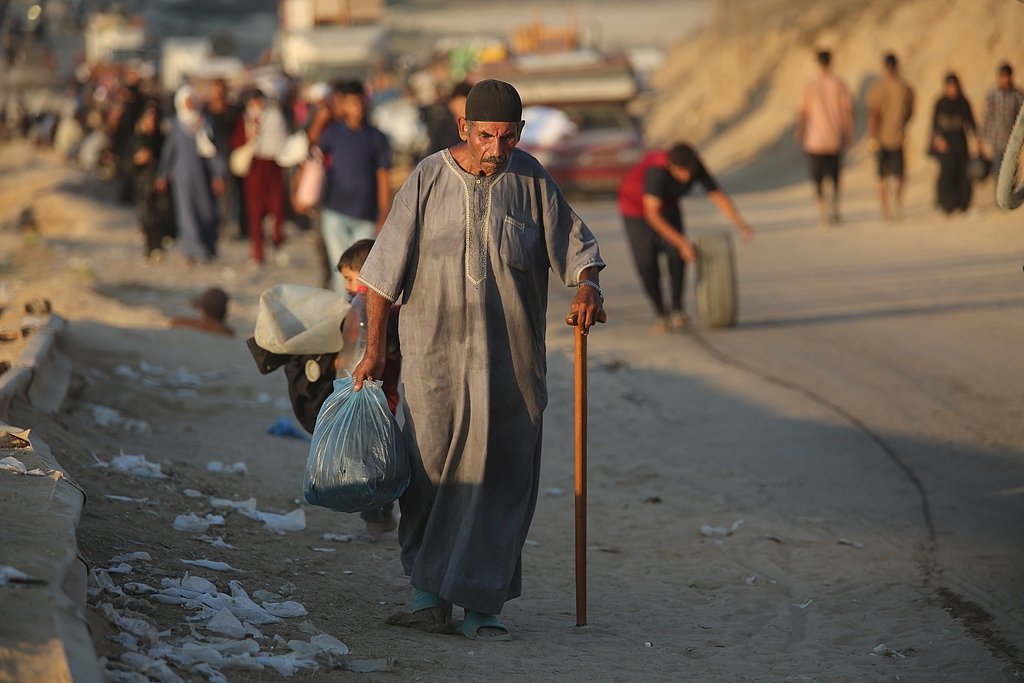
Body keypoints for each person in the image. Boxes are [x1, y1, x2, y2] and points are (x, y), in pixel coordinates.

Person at [351, 79, 605, 641]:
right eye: (487, 135)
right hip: (432, 366)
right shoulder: (427, 178)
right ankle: (427, 597)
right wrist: (372, 352)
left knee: (502, 478)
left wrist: (588, 287)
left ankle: (482, 605)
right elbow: (381, 275)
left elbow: (578, 250)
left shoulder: (531, 178)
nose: (497, 148)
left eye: (508, 136)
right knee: (428, 476)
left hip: (510, 371)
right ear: (464, 129)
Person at [618, 144, 753, 333]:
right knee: (646, 263)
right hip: (636, 210)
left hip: (669, 206)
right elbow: (652, 215)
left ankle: (676, 309)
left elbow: (716, 194)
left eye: (689, 170)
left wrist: (741, 224)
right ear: (670, 166)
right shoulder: (657, 171)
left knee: (677, 254)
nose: (686, 177)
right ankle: (660, 313)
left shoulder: (695, 166)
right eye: (681, 171)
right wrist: (682, 241)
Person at [336, 239, 402, 542]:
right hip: (382, 400)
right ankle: (380, 518)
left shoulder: (369, 307)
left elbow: (363, 348)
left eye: (351, 278)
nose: (349, 287)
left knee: (371, 462)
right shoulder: (386, 308)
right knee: (375, 460)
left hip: (374, 400)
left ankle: (378, 522)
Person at [313, 80, 392, 293]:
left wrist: (384, 213)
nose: (356, 108)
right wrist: (321, 119)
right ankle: (345, 321)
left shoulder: (377, 138)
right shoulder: (333, 133)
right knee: (342, 272)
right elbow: (312, 148)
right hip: (335, 212)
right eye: (351, 103)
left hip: (366, 215)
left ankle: (360, 317)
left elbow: (384, 177)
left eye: (359, 103)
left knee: (364, 273)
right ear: (343, 105)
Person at [156, 85, 226, 263]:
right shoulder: (175, 124)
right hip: (182, 175)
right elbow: (169, 151)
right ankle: (191, 249)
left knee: (207, 211)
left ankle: (209, 246)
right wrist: (163, 174)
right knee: (186, 212)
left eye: (191, 101)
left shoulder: (204, 123)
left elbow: (213, 151)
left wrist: (219, 174)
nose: (188, 105)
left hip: (204, 175)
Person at [796, 49, 854, 226]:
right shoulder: (839, 84)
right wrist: (849, 133)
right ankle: (835, 208)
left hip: (814, 140)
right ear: (831, 61)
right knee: (835, 175)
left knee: (817, 177)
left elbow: (803, 112)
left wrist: (800, 131)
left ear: (818, 63)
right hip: (834, 137)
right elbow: (847, 111)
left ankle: (822, 211)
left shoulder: (810, 85)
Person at [233, 89, 289, 266]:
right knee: (255, 212)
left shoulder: (274, 117)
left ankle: (278, 244)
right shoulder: (246, 120)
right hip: (254, 168)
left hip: (273, 165)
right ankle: (257, 253)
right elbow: (236, 142)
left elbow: (283, 139)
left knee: (277, 207)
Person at [867, 52, 914, 220]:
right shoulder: (905, 88)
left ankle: (885, 209)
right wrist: (901, 124)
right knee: (900, 174)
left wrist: (872, 138)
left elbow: (873, 115)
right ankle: (897, 202)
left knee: (881, 176)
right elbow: (910, 112)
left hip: (881, 138)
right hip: (898, 136)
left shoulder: (877, 89)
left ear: (884, 67)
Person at [131, 100, 173, 261]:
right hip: (142, 184)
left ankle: (158, 246)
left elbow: (166, 158)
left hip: (158, 182)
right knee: (145, 216)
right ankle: (149, 248)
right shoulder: (137, 138)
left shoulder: (161, 139)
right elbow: (128, 162)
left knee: (160, 215)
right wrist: (137, 159)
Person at [931, 73, 977, 215]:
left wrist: (978, 140)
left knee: (963, 174)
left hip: (960, 144)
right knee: (946, 175)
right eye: (950, 86)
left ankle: (963, 204)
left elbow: (971, 123)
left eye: (954, 86)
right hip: (945, 146)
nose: (952, 89)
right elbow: (934, 125)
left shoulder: (963, 102)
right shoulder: (940, 103)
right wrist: (937, 140)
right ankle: (946, 204)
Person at [205, 78, 245, 240]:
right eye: (216, 89)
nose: (219, 92)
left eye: (221, 89)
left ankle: (229, 225)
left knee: (229, 194)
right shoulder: (206, 111)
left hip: (230, 156)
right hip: (211, 156)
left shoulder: (233, 111)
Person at [981, 62, 1024, 177]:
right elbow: (987, 117)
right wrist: (981, 139)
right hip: (996, 143)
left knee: (1011, 176)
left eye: (1007, 76)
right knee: (998, 175)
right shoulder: (992, 95)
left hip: (1012, 142)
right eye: (1002, 76)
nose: (1005, 80)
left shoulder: (1017, 95)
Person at [426, 80, 472, 154]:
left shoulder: (476, 127)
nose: (462, 108)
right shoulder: (441, 129)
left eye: (465, 103)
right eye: (459, 103)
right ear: (451, 104)